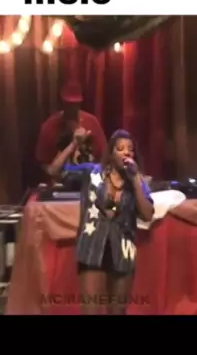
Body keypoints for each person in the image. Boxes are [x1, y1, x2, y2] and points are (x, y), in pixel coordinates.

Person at [50, 129, 154, 315]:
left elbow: (147, 214)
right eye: (120, 148)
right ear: (111, 153)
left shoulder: (138, 181)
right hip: (92, 249)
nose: (126, 152)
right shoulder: (92, 173)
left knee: (118, 311)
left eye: (130, 149)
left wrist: (135, 180)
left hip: (122, 252)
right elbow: (54, 171)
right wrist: (74, 144)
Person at [36, 80, 107, 176]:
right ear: (62, 103)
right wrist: (73, 144)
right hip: (59, 181)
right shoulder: (49, 127)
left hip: (89, 179)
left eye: (75, 104)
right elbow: (46, 167)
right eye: (68, 104)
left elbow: (104, 156)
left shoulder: (92, 122)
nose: (72, 108)